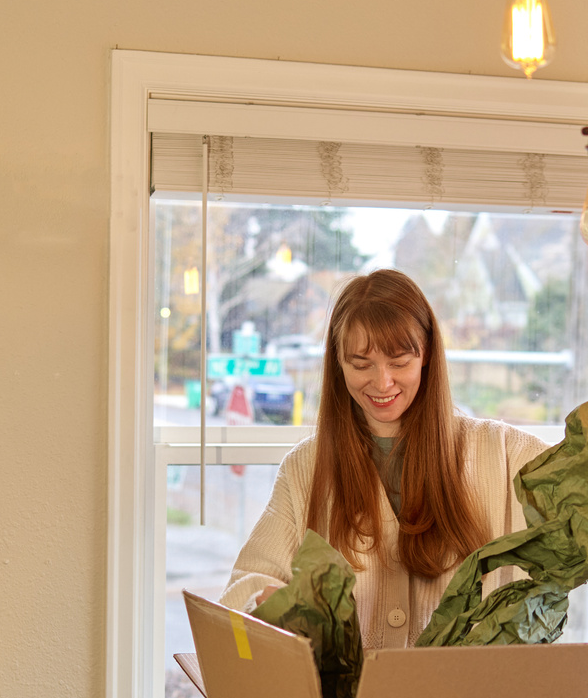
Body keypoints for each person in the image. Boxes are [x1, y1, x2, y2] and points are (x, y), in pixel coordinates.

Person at [219, 268, 548, 649]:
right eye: (361, 364)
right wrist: (268, 604)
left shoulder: (502, 452)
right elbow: (244, 590)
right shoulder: (306, 467)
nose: (382, 382)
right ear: (338, 363)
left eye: (399, 361)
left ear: (425, 354)